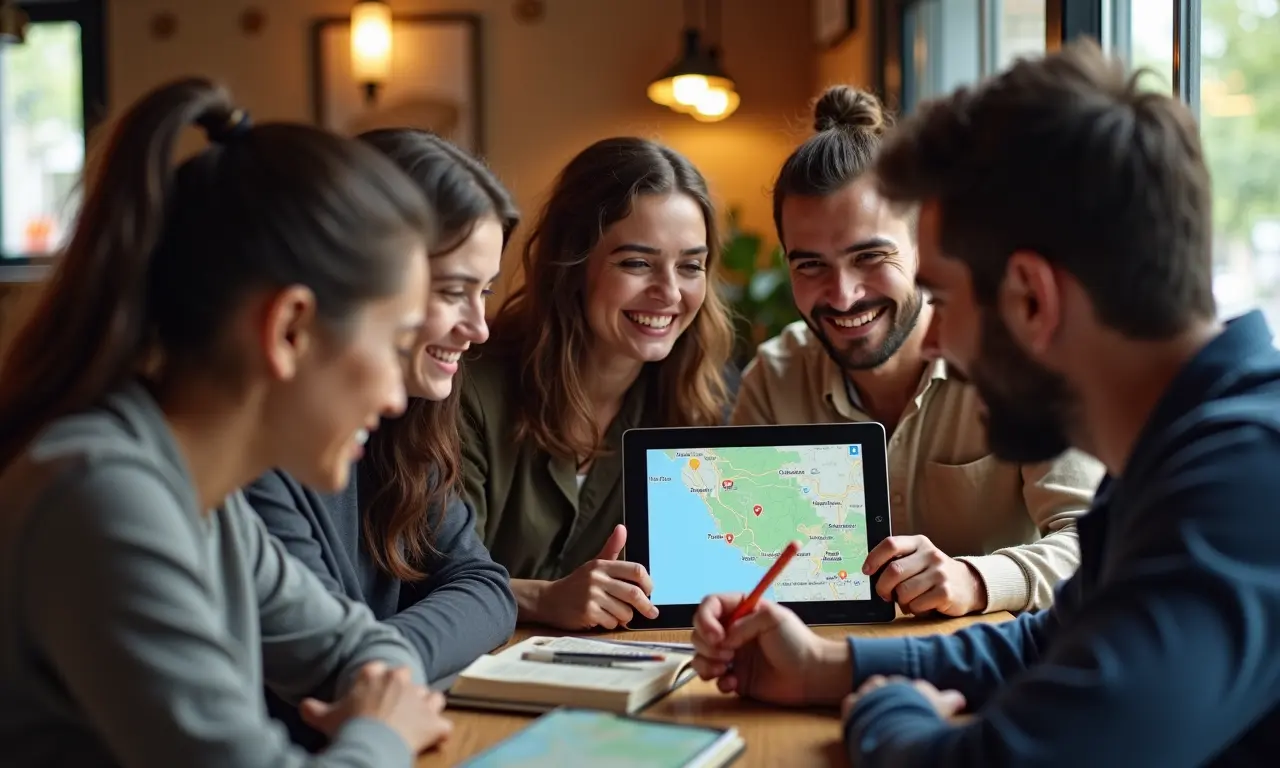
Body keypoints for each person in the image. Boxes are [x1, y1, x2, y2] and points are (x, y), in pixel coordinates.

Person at [690, 40, 1280, 766]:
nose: (931, 340)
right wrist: (828, 667)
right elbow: (1052, 639)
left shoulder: (1243, 491)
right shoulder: (1185, 458)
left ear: (1031, 297)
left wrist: (886, 708)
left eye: (939, 297)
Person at [0, 78, 453, 767]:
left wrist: (378, 712)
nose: (397, 397)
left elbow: (366, 647)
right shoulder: (103, 498)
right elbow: (382, 704)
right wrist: (382, 735)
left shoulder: (205, 502)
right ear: (291, 330)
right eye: (394, 346)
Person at [731, 85, 1103, 616]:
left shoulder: (1016, 361)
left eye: (869, 256)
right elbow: (751, 565)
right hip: (824, 670)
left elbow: (1095, 545)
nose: (842, 295)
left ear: (926, 247)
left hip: (987, 670)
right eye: (809, 265)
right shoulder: (773, 378)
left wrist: (977, 578)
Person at [244, 128, 520, 747]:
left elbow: (485, 585)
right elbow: (332, 676)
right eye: (452, 292)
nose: (479, 328)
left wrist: (381, 674)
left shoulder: (405, 428)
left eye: (486, 291)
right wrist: (382, 689)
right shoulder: (243, 465)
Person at [460, 137, 735, 630]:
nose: (669, 292)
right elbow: (436, 578)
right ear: (573, 264)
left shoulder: (704, 400)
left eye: (690, 266)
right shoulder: (470, 390)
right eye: (636, 263)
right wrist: (542, 599)